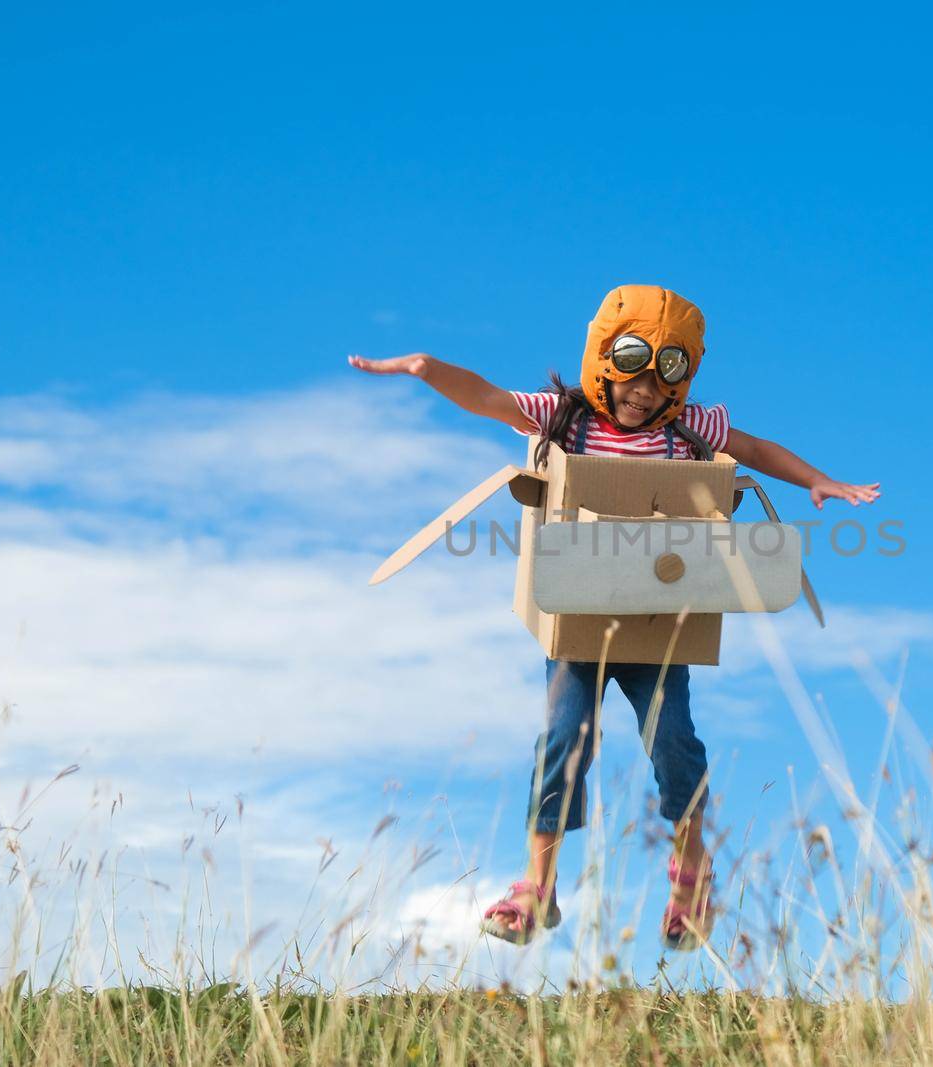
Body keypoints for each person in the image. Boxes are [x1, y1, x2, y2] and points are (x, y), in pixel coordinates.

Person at [348, 284, 880, 950]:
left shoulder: (689, 431)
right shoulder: (567, 420)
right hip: (578, 621)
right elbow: (489, 399)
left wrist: (817, 480)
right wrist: (427, 367)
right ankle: (537, 888)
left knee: (673, 743)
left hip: (659, 626)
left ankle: (691, 880)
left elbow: (757, 449)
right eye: (633, 362)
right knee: (563, 739)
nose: (646, 389)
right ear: (605, 356)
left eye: (669, 373)